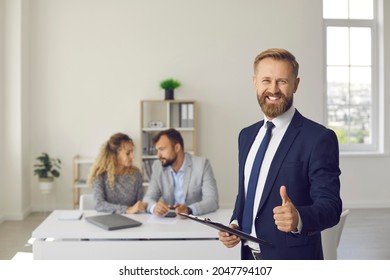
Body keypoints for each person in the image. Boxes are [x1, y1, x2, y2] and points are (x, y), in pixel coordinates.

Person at [219, 48, 342, 260]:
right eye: (266, 80)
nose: (273, 89)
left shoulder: (318, 138)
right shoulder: (246, 136)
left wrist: (299, 218)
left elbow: (331, 206)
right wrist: (235, 223)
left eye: (282, 81)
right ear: (255, 82)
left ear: (296, 84)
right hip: (249, 258)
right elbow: (248, 192)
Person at [143, 128, 219, 218]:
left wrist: (189, 210)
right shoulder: (157, 166)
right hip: (168, 223)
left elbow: (212, 200)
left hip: (194, 222)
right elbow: (148, 198)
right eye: (157, 150)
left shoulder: (202, 165)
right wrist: (154, 207)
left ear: (177, 147)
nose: (158, 155)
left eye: (162, 149)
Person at [87, 132, 147, 214]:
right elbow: (99, 205)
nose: (132, 156)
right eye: (128, 153)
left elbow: (139, 204)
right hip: (107, 220)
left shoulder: (137, 174)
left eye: (132, 152)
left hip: (131, 220)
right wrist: (127, 209)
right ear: (115, 154)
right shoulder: (100, 174)